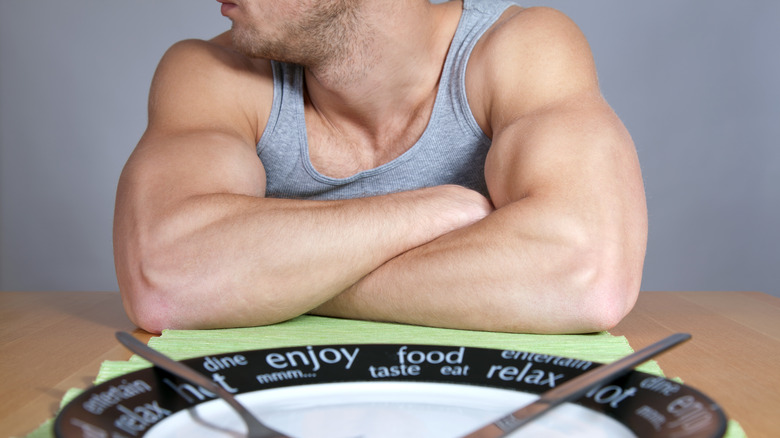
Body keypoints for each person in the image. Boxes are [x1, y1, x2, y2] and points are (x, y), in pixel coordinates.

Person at [113, 0, 647, 335]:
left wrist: (273, 282)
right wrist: (430, 213)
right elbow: (165, 278)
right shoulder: (210, 72)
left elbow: (586, 273)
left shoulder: (520, 48)